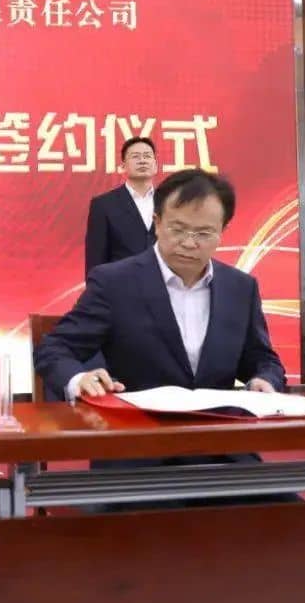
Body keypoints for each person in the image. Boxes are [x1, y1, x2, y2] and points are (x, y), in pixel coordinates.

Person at [35, 168, 288, 506]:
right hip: (136, 450)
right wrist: (79, 379)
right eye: (177, 229)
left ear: (222, 232)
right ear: (157, 222)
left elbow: (262, 358)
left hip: (221, 449)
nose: (189, 243)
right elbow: (55, 348)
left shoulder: (240, 287)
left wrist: (265, 380)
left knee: (291, 520)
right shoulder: (114, 282)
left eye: (203, 233)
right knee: (160, 526)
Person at [84, 136, 157, 275]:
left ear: (155, 165)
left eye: (147, 156)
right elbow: (95, 258)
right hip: (121, 284)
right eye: (135, 156)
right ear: (123, 166)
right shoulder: (103, 205)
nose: (142, 160)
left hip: (163, 285)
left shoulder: (168, 201)